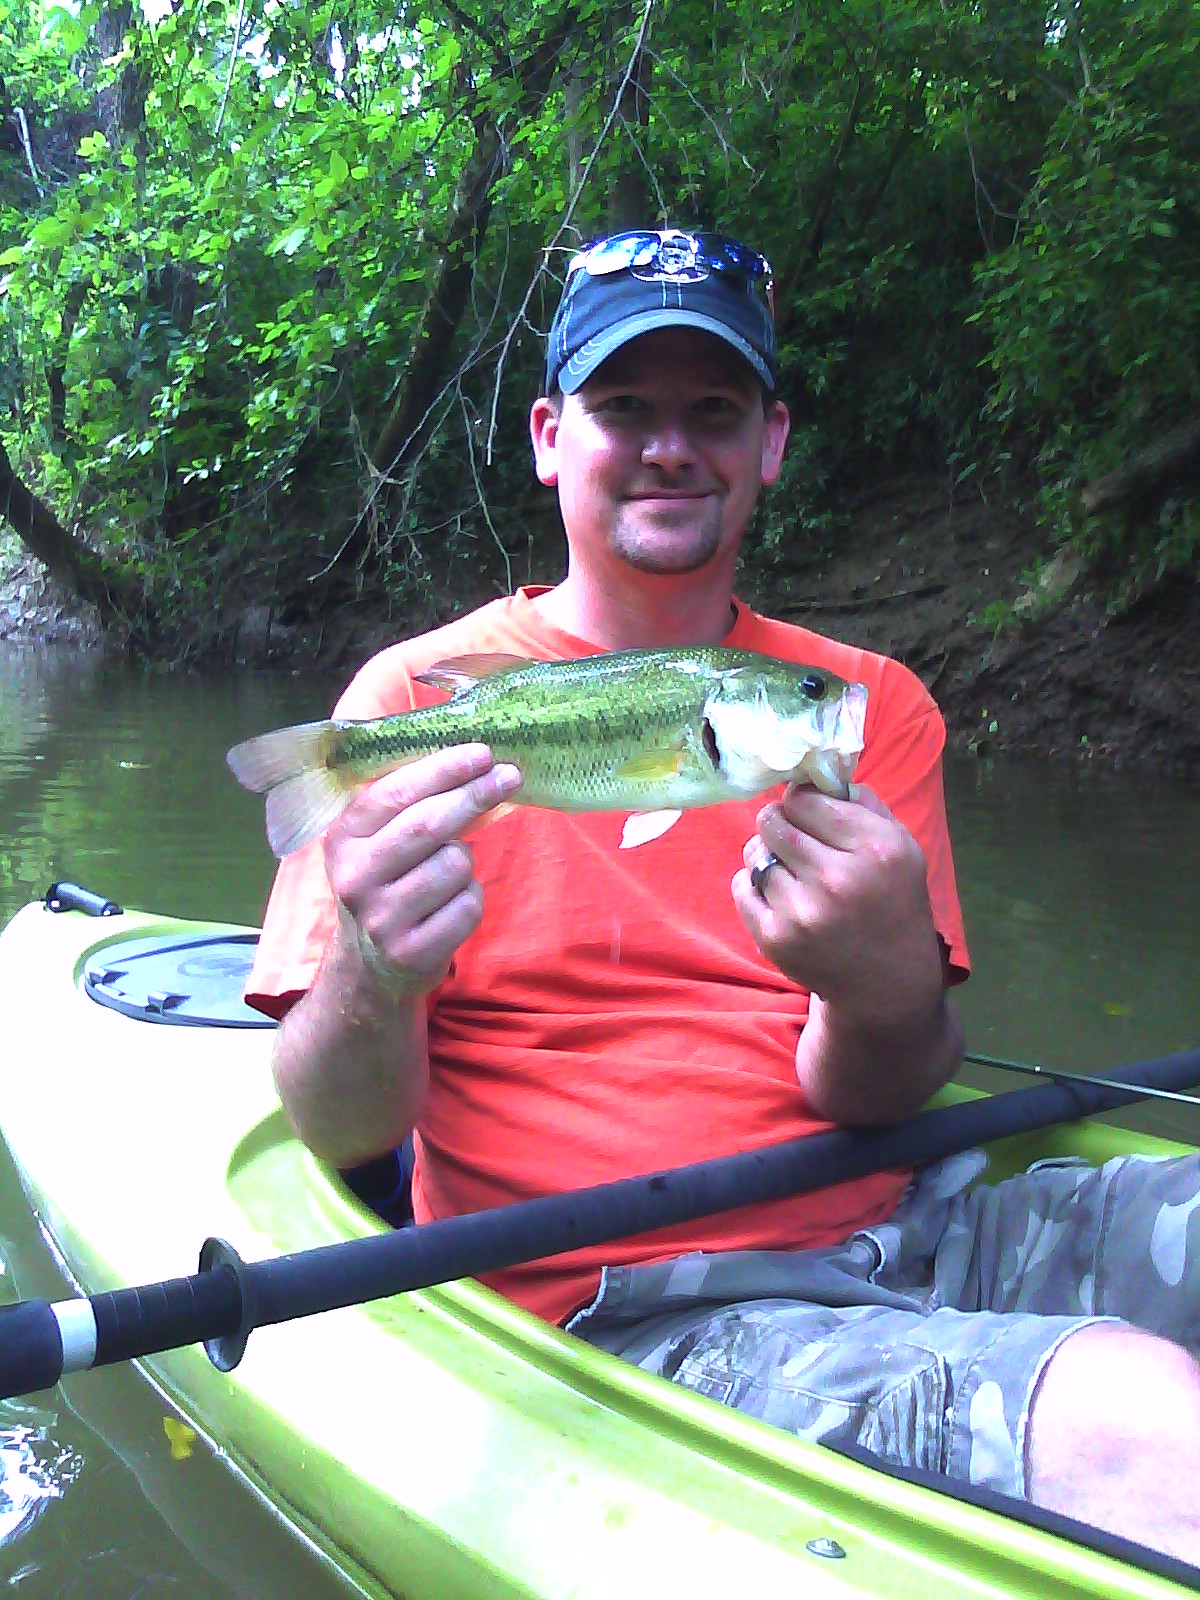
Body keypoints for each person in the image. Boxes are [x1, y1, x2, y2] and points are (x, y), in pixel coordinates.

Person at [247, 228, 1200, 1562]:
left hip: (909, 1211)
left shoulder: (865, 708)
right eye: (623, 408)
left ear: (772, 442)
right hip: (620, 1298)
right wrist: (373, 961)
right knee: (1135, 1417)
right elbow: (340, 1124)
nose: (670, 446)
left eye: (716, 410)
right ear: (546, 436)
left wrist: (880, 982)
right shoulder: (408, 707)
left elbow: (881, 1088)